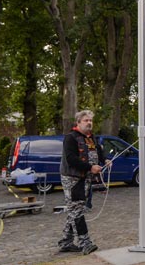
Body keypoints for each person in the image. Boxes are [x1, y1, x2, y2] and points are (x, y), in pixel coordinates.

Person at [58, 109, 106, 255]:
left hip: (86, 179)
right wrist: (90, 167)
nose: (89, 123)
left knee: (75, 209)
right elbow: (71, 159)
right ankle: (85, 242)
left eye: (90, 120)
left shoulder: (92, 138)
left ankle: (66, 242)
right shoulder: (70, 138)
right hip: (72, 179)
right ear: (78, 122)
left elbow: (98, 153)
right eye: (86, 120)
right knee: (77, 210)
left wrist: (105, 161)